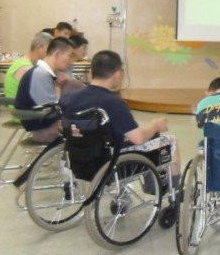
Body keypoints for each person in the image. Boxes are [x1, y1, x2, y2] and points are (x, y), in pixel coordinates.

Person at [59, 50, 180, 186]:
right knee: (170, 141)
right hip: (110, 166)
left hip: (77, 163)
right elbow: (139, 138)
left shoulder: (68, 99)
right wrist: (155, 126)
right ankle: (169, 190)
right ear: (117, 74)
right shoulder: (114, 103)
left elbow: (62, 128)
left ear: (92, 72)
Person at [14, 37, 76, 142]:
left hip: (46, 125)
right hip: (45, 129)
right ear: (58, 54)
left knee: (73, 85)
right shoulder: (40, 74)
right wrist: (58, 88)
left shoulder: (44, 72)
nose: (71, 62)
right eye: (70, 56)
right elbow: (52, 110)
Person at [3, 31, 52, 103]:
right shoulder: (26, 68)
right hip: (22, 109)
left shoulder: (24, 62)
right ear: (39, 47)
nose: (51, 53)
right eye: (49, 49)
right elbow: (41, 95)